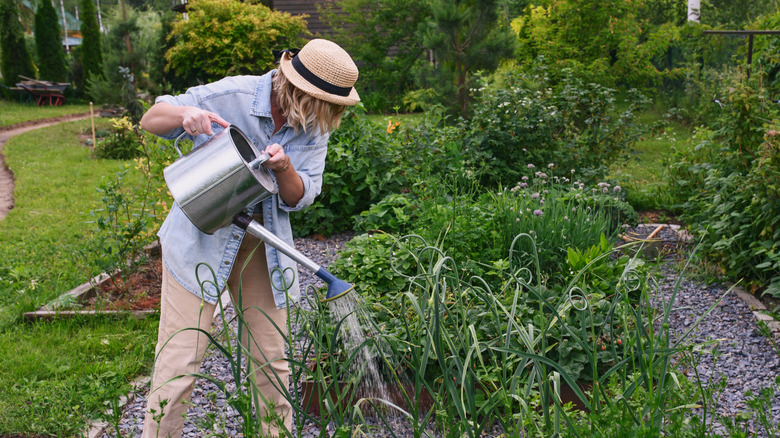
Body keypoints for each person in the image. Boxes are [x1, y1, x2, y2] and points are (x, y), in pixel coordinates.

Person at [138, 39, 360, 438]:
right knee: (179, 364)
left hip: (263, 242)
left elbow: (300, 196)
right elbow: (151, 119)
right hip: (200, 236)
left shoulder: (314, 126)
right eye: (322, 105)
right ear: (297, 90)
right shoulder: (232, 95)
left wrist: (285, 167)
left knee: (272, 365)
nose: (325, 118)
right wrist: (186, 113)